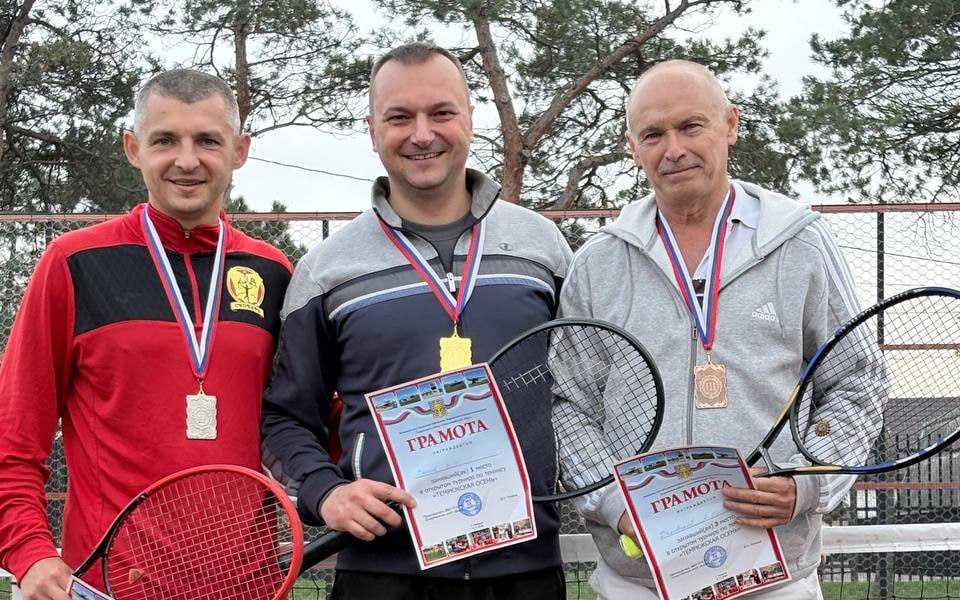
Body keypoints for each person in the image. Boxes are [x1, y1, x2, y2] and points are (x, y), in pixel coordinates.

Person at [557, 59, 881, 599]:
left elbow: (857, 381)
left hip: (774, 576)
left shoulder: (800, 244)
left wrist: (806, 484)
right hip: (639, 580)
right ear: (633, 148)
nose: (674, 149)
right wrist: (615, 504)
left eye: (691, 126)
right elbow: (568, 403)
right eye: (653, 134)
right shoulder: (597, 263)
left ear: (730, 124)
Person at [261, 42, 572, 599]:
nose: (421, 133)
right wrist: (326, 492)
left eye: (441, 113)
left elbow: (584, 389)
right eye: (399, 116)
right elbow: (283, 418)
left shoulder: (542, 248)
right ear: (373, 128)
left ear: (470, 118)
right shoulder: (327, 270)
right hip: (383, 572)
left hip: (525, 568)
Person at [0, 69, 292, 600]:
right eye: (164, 140)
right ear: (133, 148)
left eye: (207, 140)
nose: (186, 160)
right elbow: (13, 437)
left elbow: (315, 420)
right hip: (109, 587)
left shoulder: (272, 271)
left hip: (252, 589)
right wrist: (29, 552)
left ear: (240, 149)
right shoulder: (74, 264)